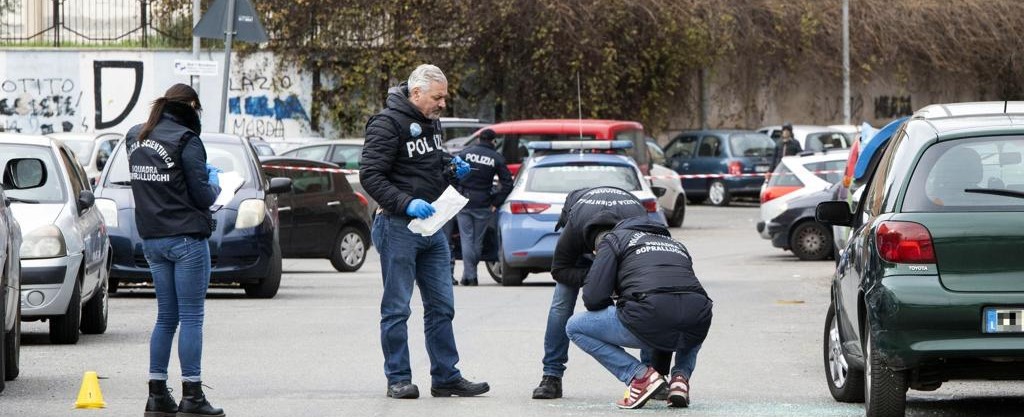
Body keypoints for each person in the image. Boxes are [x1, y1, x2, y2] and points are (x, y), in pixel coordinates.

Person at [360, 64, 489, 399]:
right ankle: (398, 378)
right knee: (397, 308)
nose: (443, 103)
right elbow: (371, 175)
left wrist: (451, 170)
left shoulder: (432, 122)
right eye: (438, 97)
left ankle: (446, 377)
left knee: (442, 306)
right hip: (398, 226)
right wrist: (406, 203)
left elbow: (428, 167)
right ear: (416, 94)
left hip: (433, 227)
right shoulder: (386, 124)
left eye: (444, 97)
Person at [127, 83, 225, 417]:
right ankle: (192, 396)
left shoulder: (137, 137)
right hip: (186, 240)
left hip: (152, 239)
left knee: (166, 318)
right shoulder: (187, 140)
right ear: (192, 106)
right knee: (192, 317)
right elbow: (203, 196)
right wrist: (216, 185)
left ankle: (157, 396)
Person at [533, 186, 666, 399]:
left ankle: (652, 374)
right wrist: (594, 278)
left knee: (644, 297)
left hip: (627, 243)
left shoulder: (639, 226)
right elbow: (558, 270)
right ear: (593, 250)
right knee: (561, 304)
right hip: (582, 239)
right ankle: (551, 376)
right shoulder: (575, 229)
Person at [566, 216, 713, 409]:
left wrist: (618, 297)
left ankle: (639, 376)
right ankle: (680, 380)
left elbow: (593, 297)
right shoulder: (676, 244)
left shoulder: (614, 239)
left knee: (575, 326)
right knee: (685, 311)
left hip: (650, 316)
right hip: (698, 317)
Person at [455, 128, 513, 286]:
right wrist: (496, 202)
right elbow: (508, 183)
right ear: (493, 141)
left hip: (463, 200)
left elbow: (451, 172)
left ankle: (470, 276)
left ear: (479, 139)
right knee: (477, 241)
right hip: (483, 202)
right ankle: (470, 275)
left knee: (466, 239)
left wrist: (457, 192)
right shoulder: (496, 157)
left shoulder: (465, 153)